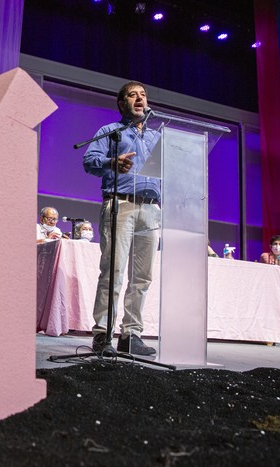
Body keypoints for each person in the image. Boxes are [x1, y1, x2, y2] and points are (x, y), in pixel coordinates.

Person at [82, 80, 160, 356]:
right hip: (121, 204)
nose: (139, 98)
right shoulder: (110, 132)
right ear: (121, 103)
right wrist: (111, 163)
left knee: (143, 277)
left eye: (143, 94)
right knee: (113, 272)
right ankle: (103, 333)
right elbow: (89, 161)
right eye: (132, 95)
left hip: (152, 209)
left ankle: (131, 334)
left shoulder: (157, 136)